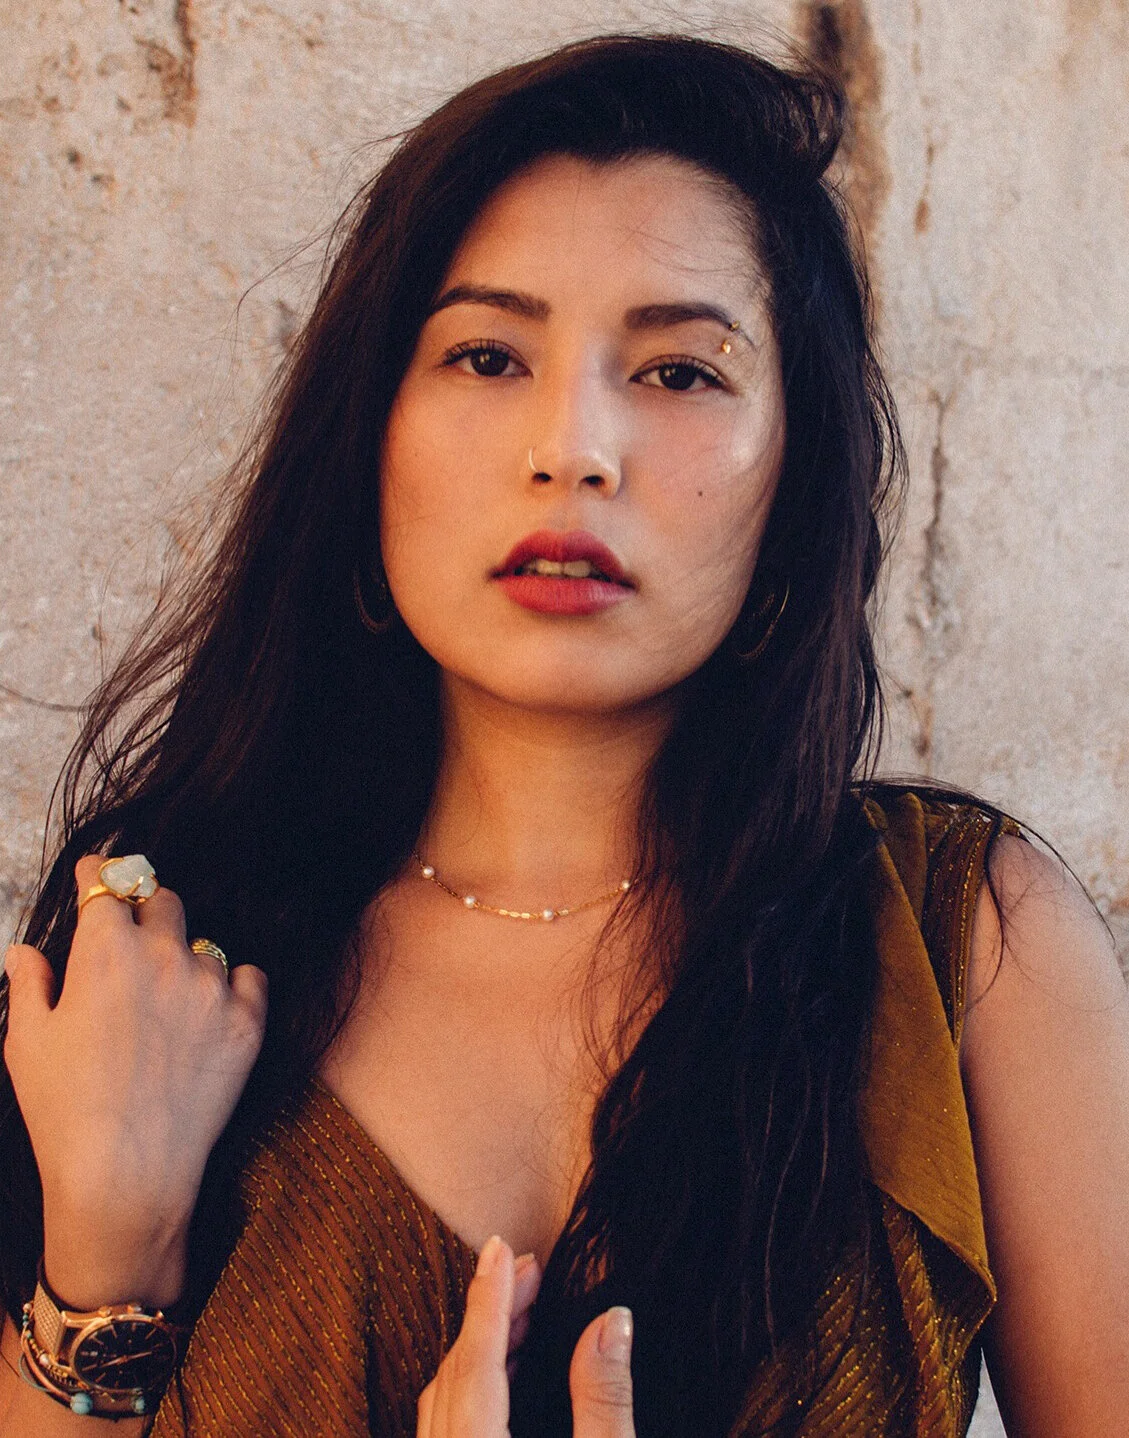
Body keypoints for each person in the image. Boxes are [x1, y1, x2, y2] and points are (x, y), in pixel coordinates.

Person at [1, 31, 1126, 1438]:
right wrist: (103, 1262)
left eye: (680, 372)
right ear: (370, 437)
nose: (573, 448)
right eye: (487, 355)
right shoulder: (164, 953)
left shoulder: (966, 945)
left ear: (796, 473)